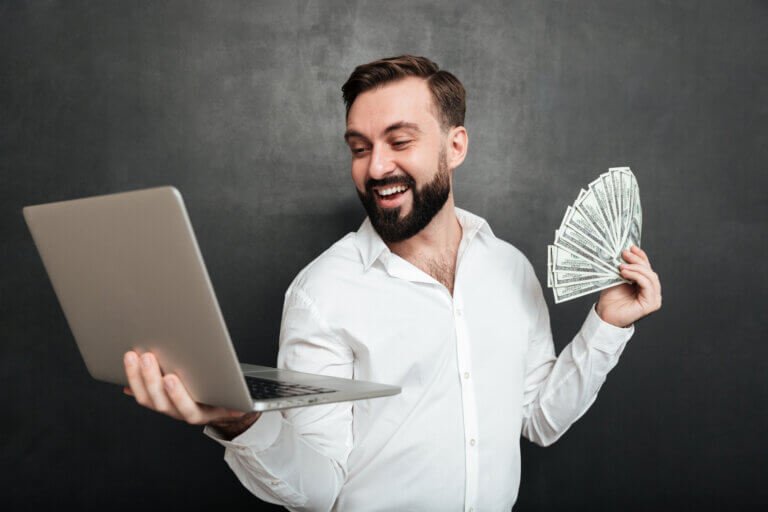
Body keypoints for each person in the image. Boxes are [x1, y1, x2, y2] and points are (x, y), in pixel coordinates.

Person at [122, 55, 662, 511]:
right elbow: (318, 486)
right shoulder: (322, 293)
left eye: (399, 141)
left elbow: (538, 419)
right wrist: (242, 423)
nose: (376, 167)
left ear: (455, 146)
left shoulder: (511, 269)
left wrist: (606, 325)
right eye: (359, 148)